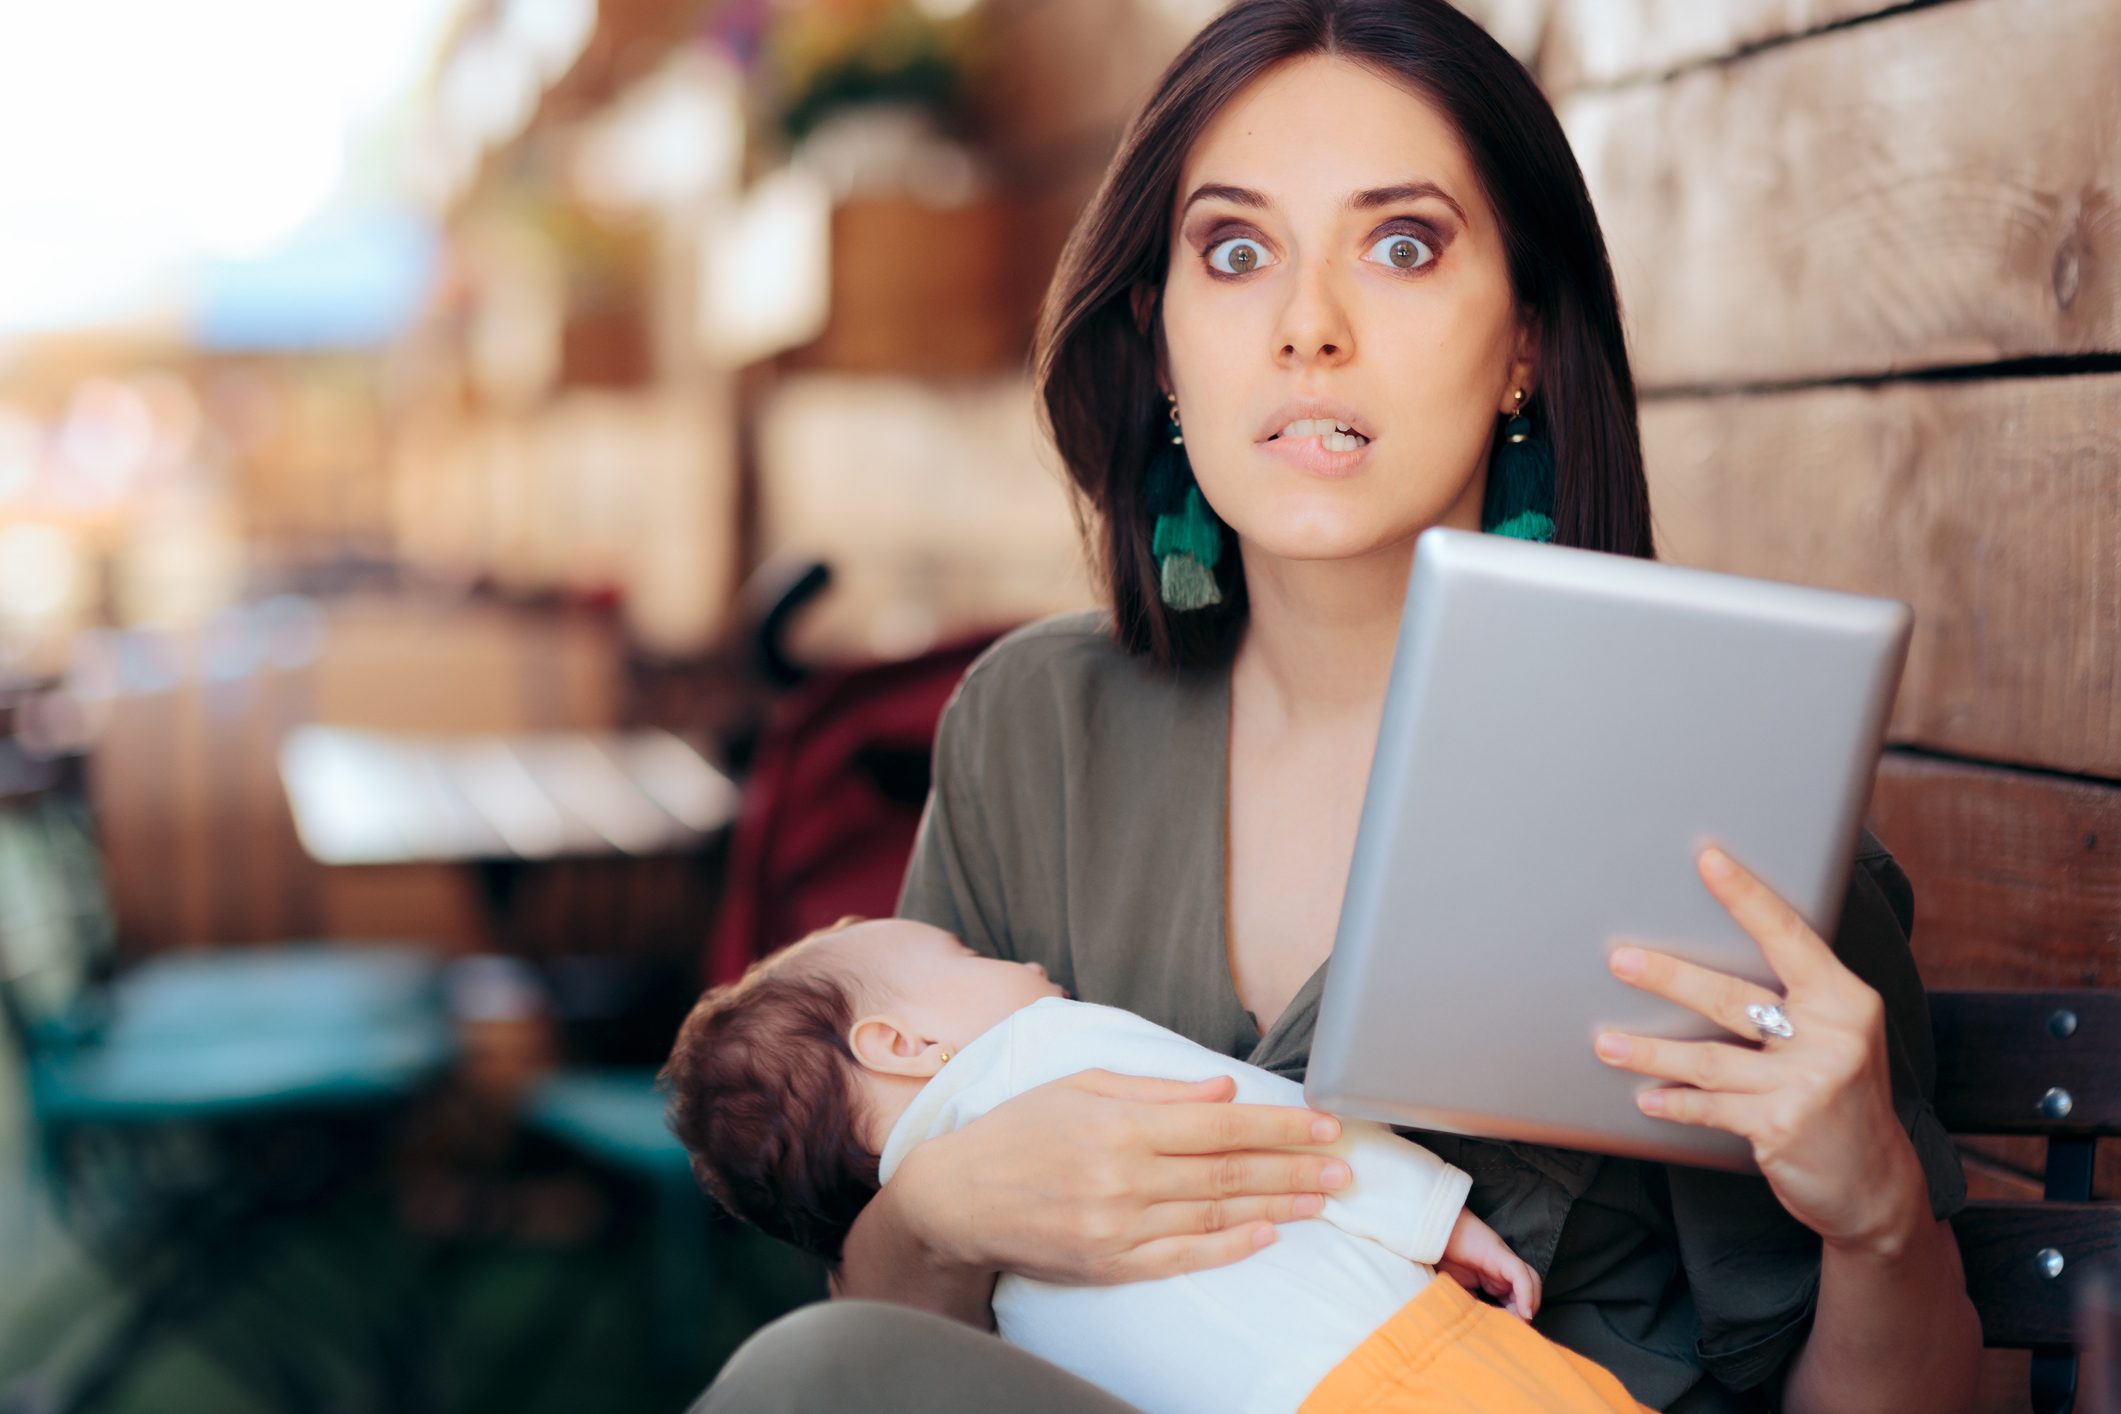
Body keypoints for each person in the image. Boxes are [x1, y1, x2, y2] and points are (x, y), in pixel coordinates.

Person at [695, 2, 1983, 1411]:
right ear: (1164, 341)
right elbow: (894, 1357)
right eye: (1236, 253)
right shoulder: (1031, 733)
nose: (1309, 325)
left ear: (1526, 346)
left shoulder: (1697, 803)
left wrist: (1873, 1215)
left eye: (1404, 243)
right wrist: (948, 1209)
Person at [666, 916, 1659, 1414]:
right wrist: (1435, 1214)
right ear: (899, 1044)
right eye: (968, 952)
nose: (1014, 964)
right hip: (1394, 1360)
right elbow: (1266, 1121)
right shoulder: (1044, 1053)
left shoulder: (999, 1306)